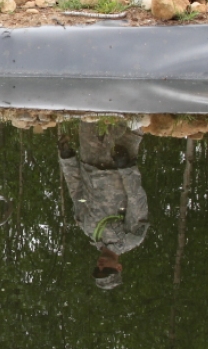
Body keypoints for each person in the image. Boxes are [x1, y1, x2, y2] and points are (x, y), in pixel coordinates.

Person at [58, 121, 149, 289]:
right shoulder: (130, 238)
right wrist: (125, 167)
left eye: (98, 270)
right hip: (118, 159)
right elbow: (136, 198)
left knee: (91, 111)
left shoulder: (89, 230)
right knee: (132, 113)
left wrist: (67, 159)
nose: (101, 266)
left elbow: (77, 194)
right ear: (118, 267)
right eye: (107, 270)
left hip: (90, 158)